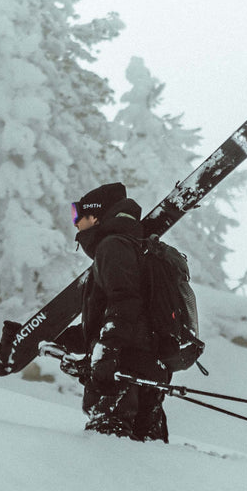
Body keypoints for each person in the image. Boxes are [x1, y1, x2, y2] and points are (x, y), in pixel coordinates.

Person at [66, 182, 170, 442]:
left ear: (96, 216)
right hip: (143, 369)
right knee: (146, 459)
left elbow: (124, 304)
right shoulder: (132, 245)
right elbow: (104, 322)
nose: (76, 225)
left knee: (110, 452)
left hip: (121, 375)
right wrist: (39, 340)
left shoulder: (112, 246)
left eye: (79, 218)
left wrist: (107, 352)